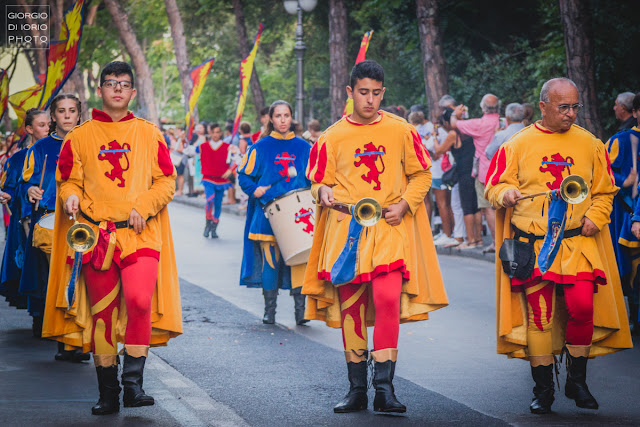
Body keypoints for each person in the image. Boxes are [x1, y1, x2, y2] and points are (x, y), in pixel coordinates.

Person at [303, 60, 448, 414]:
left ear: (384, 92)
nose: (370, 100)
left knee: (386, 302)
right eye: (363, 92)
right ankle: (356, 390)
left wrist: (406, 205)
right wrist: (320, 192)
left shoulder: (401, 130)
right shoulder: (331, 136)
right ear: (350, 92)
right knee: (351, 309)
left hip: (388, 229)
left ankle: (384, 389)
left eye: (376, 93)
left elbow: (422, 176)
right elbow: (317, 181)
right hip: (346, 233)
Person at [42, 61, 182, 415]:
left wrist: (145, 204)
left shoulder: (150, 134)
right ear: (100, 91)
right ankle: (108, 391)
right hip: (97, 237)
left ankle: (134, 385)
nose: (117, 88)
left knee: (138, 300)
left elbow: (167, 180)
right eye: (110, 83)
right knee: (102, 315)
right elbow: (68, 179)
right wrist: (69, 195)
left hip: (140, 233)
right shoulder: (79, 136)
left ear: (132, 92)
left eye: (124, 84)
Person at [485, 77, 632, 414]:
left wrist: (597, 215)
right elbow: (494, 187)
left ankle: (576, 381)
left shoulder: (591, 143)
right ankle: (543, 389)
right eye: (563, 107)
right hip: (534, 247)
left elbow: (604, 191)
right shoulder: (517, 144)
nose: (570, 114)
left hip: (577, 243)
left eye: (574, 107)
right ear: (543, 106)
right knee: (539, 317)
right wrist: (505, 194)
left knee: (583, 308)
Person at [19, 94, 89, 362]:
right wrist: (30, 189)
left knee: (84, 282)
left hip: (86, 222)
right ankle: (65, 342)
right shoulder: (40, 148)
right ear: (53, 117)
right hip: (51, 223)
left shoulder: (90, 142)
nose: (68, 116)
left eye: (72, 110)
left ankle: (82, 339)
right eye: (62, 111)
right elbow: (26, 182)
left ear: (79, 114)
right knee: (59, 283)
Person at [238, 100, 312, 326]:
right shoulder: (259, 147)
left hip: (299, 215)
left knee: (299, 262)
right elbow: (243, 176)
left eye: (286, 115)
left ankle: (301, 312)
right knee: (271, 262)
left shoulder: (305, 148)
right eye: (278, 116)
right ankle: (270, 310)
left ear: (291, 117)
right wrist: (254, 189)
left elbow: (316, 178)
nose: (282, 120)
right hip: (268, 214)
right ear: (271, 118)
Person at [0, 109, 49, 332]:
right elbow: (9, 187)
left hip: (58, 220)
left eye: (49, 124)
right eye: (41, 125)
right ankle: (39, 318)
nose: (47, 128)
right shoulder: (18, 159)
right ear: (29, 129)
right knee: (36, 268)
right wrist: (8, 193)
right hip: (28, 221)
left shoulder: (65, 152)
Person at [608, 92, 640, 334]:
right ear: (635, 112)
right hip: (627, 215)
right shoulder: (622, 140)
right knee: (629, 267)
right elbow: (603, 176)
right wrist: (624, 182)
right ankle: (632, 317)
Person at [451, 94, 500, 252]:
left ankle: (496, 242)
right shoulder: (504, 122)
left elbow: (455, 124)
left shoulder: (480, 124)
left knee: (488, 208)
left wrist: (455, 113)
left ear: (483, 108)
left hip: (485, 171)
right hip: (505, 169)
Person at [435, 108, 482, 248]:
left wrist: (434, 137)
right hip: (475, 171)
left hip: (463, 173)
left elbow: (439, 150)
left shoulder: (453, 134)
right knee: (476, 207)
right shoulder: (470, 130)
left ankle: (470, 240)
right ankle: (478, 239)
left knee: (466, 207)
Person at [198, 122, 232, 238]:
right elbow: (188, 152)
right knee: (210, 200)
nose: (215, 135)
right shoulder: (203, 146)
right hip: (208, 178)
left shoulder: (228, 147)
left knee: (218, 204)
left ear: (221, 133)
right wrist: (183, 141)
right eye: (213, 132)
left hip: (221, 180)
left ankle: (214, 227)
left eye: (218, 132)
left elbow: (240, 158)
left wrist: (231, 169)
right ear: (210, 133)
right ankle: (208, 222)